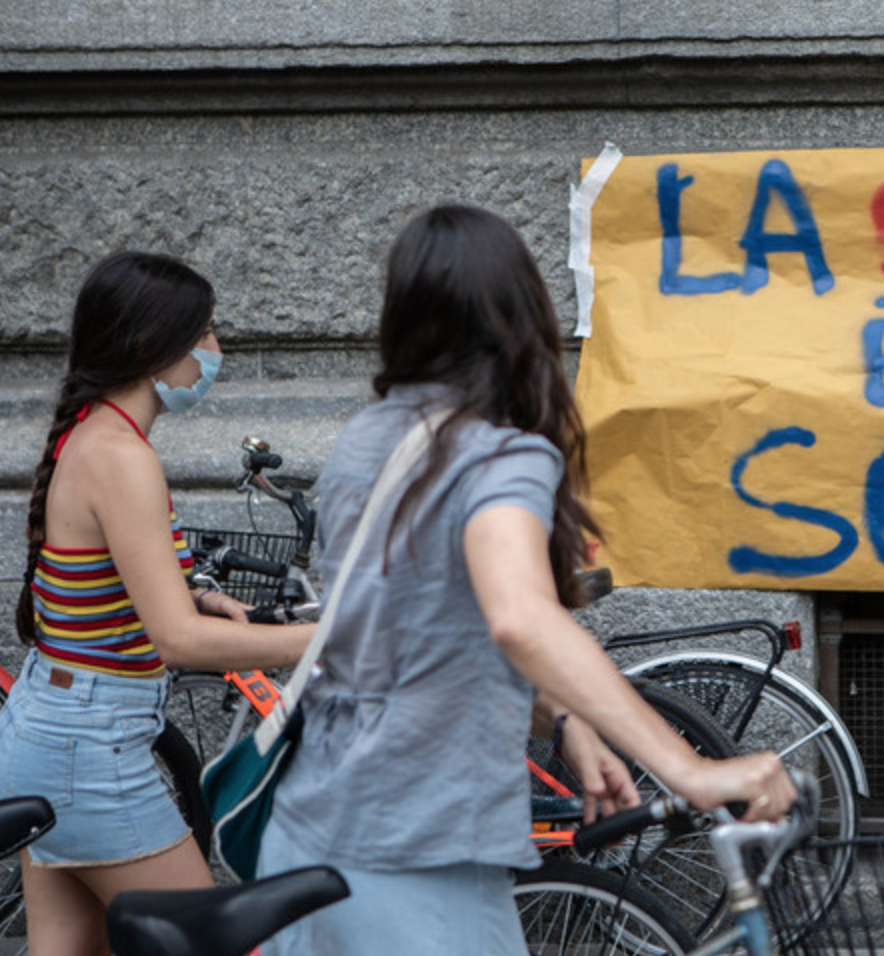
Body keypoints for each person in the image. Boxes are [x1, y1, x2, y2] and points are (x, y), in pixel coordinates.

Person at [257, 204, 796, 955]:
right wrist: (691, 770)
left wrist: (569, 724)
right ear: (522, 314)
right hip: (422, 855)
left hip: (311, 838)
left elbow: (439, 630)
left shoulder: (366, 440)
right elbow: (518, 615)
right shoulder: (500, 454)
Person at [0, 251, 316, 956]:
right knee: (212, 945)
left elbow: (95, 586)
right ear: (147, 346)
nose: (215, 352)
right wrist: (322, 640)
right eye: (206, 334)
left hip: (47, 734)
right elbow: (179, 645)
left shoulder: (94, 435)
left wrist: (193, 594)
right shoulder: (122, 456)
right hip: (85, 753)